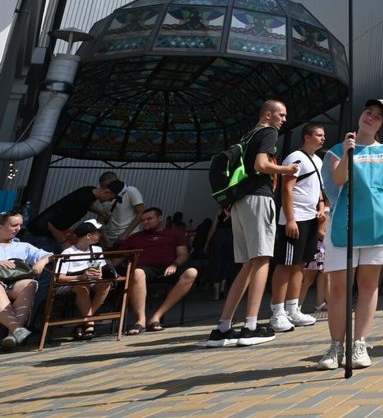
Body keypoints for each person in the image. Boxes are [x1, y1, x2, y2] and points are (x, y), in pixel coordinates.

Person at [317, 98, 383, 370]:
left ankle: (359, 343)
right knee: (339, 288)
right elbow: (339, 180)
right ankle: (336, 345)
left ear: (382, 125)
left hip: (378, 225)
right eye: (368, 112)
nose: (370, 118)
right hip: (344, 225)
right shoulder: (338, 149)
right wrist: (349, 153)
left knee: (369, 286)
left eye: (377, 117)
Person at [205, 99, 299, 348]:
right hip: (258, 197)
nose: (284, 120)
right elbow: (261, 165)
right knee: (262, 259)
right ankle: (251, 326)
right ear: (268, 114)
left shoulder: (247, 136)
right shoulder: (268, 132)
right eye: (281, 114)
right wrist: (287, 169)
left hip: (239, 202)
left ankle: (223, 327)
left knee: (248, 263)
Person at [269, 122, 328, 332]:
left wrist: (321, 207)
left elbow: (318, 189)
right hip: (296, 217)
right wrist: (290, 219)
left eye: (323, 135)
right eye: (319, 135)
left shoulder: (318, 160)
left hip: (311, 217)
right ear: (306, 137)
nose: (323, 138)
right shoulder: (295, 157)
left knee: (300, 264)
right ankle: (277, 312)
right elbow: (287, 189)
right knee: (285, 264)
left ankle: (293, 309)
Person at [119, 207, 199, 333]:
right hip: (144, 269)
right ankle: (140, 320)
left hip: (169, 267)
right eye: (143, 220)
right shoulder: (135, 237)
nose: (145, 222)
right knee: (137, 272)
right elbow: (118, 258)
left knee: (191, 272)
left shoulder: (175, 234)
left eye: (149, 219)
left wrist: (174, 265)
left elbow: (183, 254)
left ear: (160, 218)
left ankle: (156, 317)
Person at [0, 210, 51, 350]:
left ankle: (12, 335)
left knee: (31, 284)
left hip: (14, 283)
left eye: (20, 225)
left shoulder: (23, 246)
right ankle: (17, 330)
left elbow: (50, 255)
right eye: (14, 225)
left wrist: (42, 262)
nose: (18, 228)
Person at [55, 219, 113, 340]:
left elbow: (98, 268)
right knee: (82, 286)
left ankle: (84, 321)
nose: (100, 235)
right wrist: (81, 277)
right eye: (98, 233)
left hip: (90, 281)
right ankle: (90, 323)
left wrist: (98, 273)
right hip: (72, 282)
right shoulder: (68, 252)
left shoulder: (96, 250)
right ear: (89, 235)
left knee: (106, 283)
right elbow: (59, 277)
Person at [25, 182, 120, 250]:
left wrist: (100, 212)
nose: (110, 201)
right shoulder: (81, 202)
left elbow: (88, 205)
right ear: (107, 192)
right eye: (111, 198)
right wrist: (65, 245)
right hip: (40, 235)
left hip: (44, 232)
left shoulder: (89, 190)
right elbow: (52, 224)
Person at [93, 172, 145, 250]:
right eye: (102, 187)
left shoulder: (131, 191)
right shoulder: (103, 195)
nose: (105, 189)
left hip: (129, 236)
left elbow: (141, 212)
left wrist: (126, 234)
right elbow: (100, 218)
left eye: (106, 186)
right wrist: (103, 235)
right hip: (109, 238)